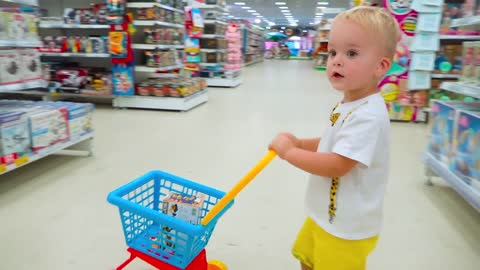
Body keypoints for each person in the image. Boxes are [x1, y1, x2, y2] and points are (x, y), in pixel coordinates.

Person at [269, 6, 401, 270]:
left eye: (351, 53)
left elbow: (338, 164)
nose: (336, 60)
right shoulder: (348, 104)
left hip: (346, 226)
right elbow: (332, 142)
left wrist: (289, 153)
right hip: (325, 214)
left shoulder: (368, 115)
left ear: (381, 66)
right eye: (333, 52)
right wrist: (299, 142)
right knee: (308, 259)